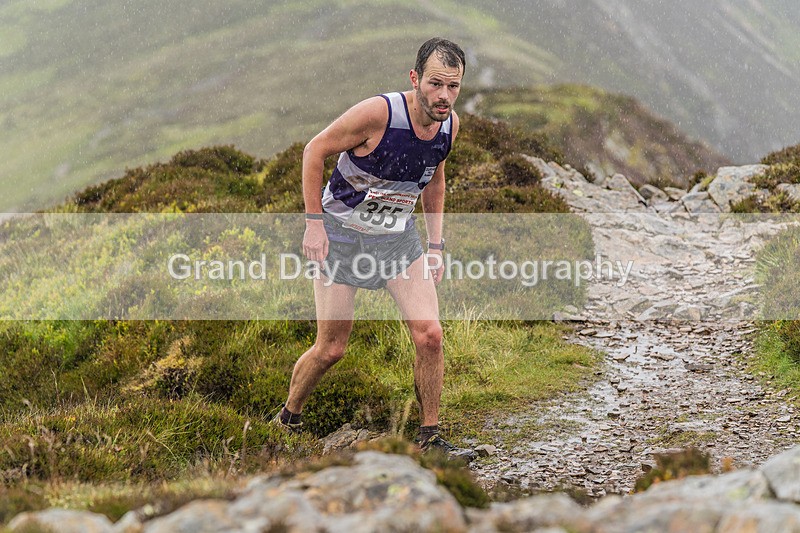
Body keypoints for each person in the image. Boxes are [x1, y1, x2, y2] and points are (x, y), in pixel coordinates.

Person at [273, 38, 475, 461]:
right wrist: (313, 225)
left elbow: (435, 182)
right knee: (331, 348)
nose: (444, 95)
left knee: (430, 335)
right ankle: (288, 418)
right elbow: (314, 151)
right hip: (342, 236)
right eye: (435, 83)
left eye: (453, 86)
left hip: (396, 239)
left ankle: (430, 437)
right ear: (415, 78)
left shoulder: (449, 126)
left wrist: (435, 246)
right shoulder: (378, 114)